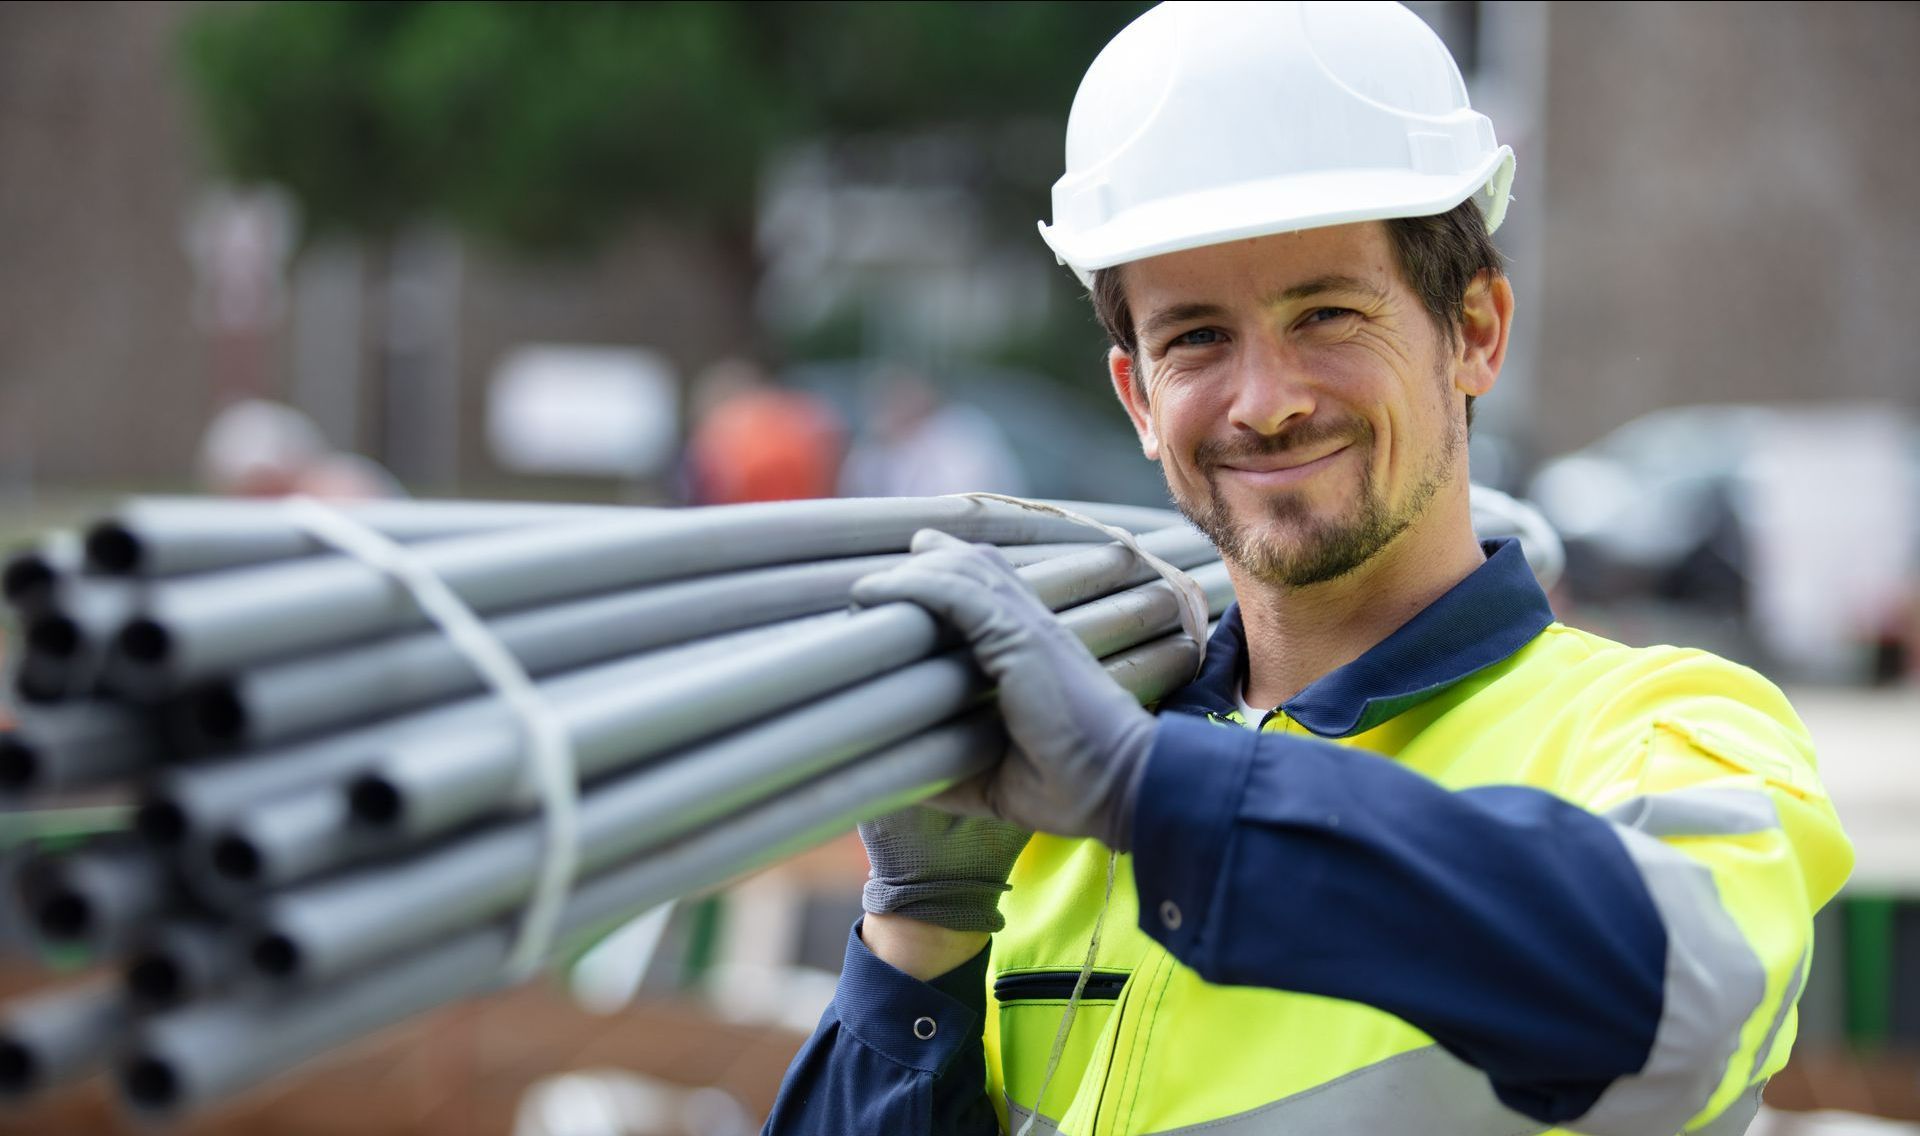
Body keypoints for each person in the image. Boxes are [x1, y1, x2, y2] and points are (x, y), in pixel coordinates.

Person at [763, 3, 1852, 1134]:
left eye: (1327, 312)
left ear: (1475, 330)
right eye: (1196, 338)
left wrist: (1149, 792)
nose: (1267, 399)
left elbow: (1679, 1002)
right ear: (1139, 396)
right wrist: (921, 932)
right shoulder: (1042, 805)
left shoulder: (1666, 729)